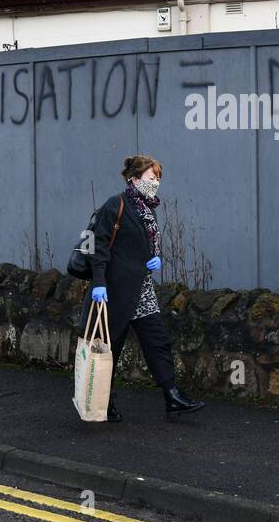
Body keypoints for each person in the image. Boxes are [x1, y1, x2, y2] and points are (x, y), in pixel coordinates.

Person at [88, 154, 205, 422]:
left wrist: (154, 257)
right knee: (109, 350)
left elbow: (144, 242)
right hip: (114, 291)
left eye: (158, 179)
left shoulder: (147, 208)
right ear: (134, 178)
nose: (156, 183)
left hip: (141, 289)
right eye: (151, 178)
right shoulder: (115, 205)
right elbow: (99, 246)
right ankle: (102, 402)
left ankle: (172, 395)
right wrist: (98, 283)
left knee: (158, 341)